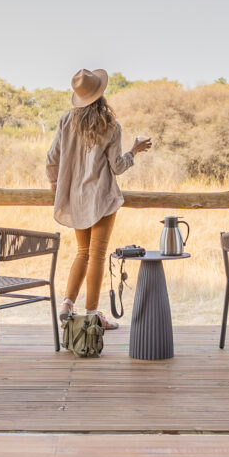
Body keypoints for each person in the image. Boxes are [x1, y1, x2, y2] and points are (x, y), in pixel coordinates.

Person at [46, 67, 151, 330]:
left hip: (76, 198)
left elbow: (51, 160)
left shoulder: (65, 121)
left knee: (82, 253)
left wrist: (56, 185)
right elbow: (116, 167)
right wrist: (134, 152)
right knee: (97, 256)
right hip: (102, 199)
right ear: (101, 94)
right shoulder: (110, 126)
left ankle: (67, 305)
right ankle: (93, 315)